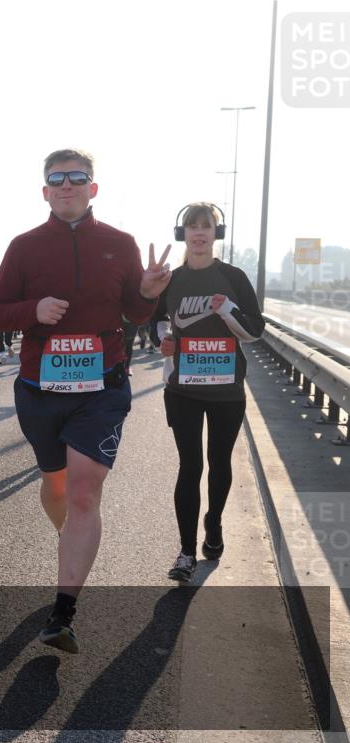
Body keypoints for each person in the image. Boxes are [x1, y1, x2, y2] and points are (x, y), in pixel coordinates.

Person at [0, 148, 171, 653]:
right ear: (45, 191)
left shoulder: (121, 243)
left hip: (102, 389)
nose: (66, 185)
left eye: (77, 178)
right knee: (58, 487)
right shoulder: (24, 246)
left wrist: (150, 291)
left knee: (85, 494)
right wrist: (33, 310)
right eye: (56, 179)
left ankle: (63, 611)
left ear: (94, 187)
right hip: (39, 391)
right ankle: (72, 542)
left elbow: (134, 311)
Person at [155, 202, 264, 582]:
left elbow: (254, 332)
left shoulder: (233, 276)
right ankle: (186, 551)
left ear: (217, 233)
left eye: (207, 226)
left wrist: (228, 308)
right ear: (181, 232)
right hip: (183, 389)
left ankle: (214, 524)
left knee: (220, 463)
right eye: (192, 226)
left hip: (227, 392)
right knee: (190, 466)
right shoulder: (172, 280)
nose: (199, 232)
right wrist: (165, 343)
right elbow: (157, 324)